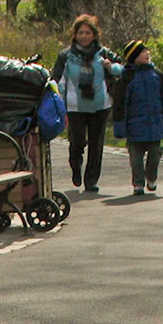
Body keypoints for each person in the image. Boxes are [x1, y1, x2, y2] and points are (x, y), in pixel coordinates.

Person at [50, 15, 119, 193]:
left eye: (88, 32)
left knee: (96, 144)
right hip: (75, 106)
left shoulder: (104, 54)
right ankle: (75, 165)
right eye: (80, 32)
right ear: (75, 34)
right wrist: (58, 101)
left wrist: (110, 66)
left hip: (100, 105)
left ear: (95, 35)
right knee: (78, 141)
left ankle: (91, 180)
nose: (84, 36)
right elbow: (56, 80)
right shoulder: (65, 56)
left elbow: (121, 69)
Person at [112, 40, 163, 195]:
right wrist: (120, 128)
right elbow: (120, 105)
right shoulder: (127, 78)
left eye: (147, 51)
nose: (147, 54)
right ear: (134, 57)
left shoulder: (158, 75)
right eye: (142, 52)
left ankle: (152, 178)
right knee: (136, 160)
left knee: (155, 155)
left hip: (155, 125)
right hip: (135, 127)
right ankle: (138, 183)